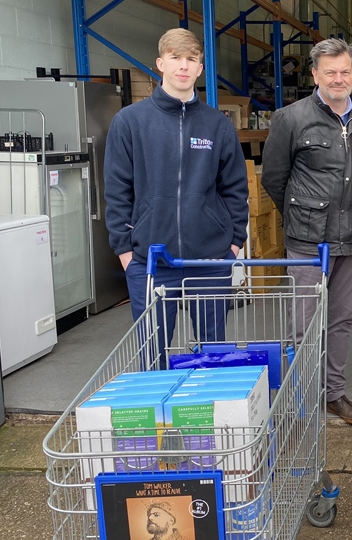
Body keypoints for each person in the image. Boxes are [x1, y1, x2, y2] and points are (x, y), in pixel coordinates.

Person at [105, 28, 248, 367]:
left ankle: (209, 419)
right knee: (153, 356)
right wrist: (125, 251)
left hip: (210, 260)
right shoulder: (130, 122)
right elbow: (116, 189)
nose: (183, 66)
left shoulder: (218, 126)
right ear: (160, 64)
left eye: (192, 59)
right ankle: (161, 420)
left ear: (200, 68)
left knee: (213, 354)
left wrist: (233, 243)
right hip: (149, 259)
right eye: (175, 58)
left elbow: (235, 188)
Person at [261, 39, 352, 425]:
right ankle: (300, 398)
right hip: (309, 240)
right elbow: (275, 179)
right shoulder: (290, 118)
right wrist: (303, 215)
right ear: (314, 74)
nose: (339, 78)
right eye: (330, 71)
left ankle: (334, 394)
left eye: (345, 71)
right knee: (304, 322)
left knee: (342, 319)